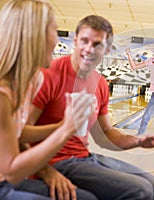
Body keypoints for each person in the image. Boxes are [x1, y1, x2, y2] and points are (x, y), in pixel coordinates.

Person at [18, 15, 154, 200]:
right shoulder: (48, 76)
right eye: (84, 41)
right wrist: (46, 171)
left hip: (84, 157)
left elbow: (105, 134)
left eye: (98, 44)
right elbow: (17, 134)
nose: (89, 49)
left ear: (107, 50)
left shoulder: (99, 83)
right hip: (52, 162)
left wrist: (138, 141)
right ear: (75, 40)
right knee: (140, 191)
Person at [0, 0, 96, 200]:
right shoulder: (2, 93)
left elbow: (17, 133)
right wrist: (66, 129)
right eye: (55, 30)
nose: (57, 40)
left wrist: (62, 124)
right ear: (34, 36)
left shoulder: (25, 81)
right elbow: (11, 170)